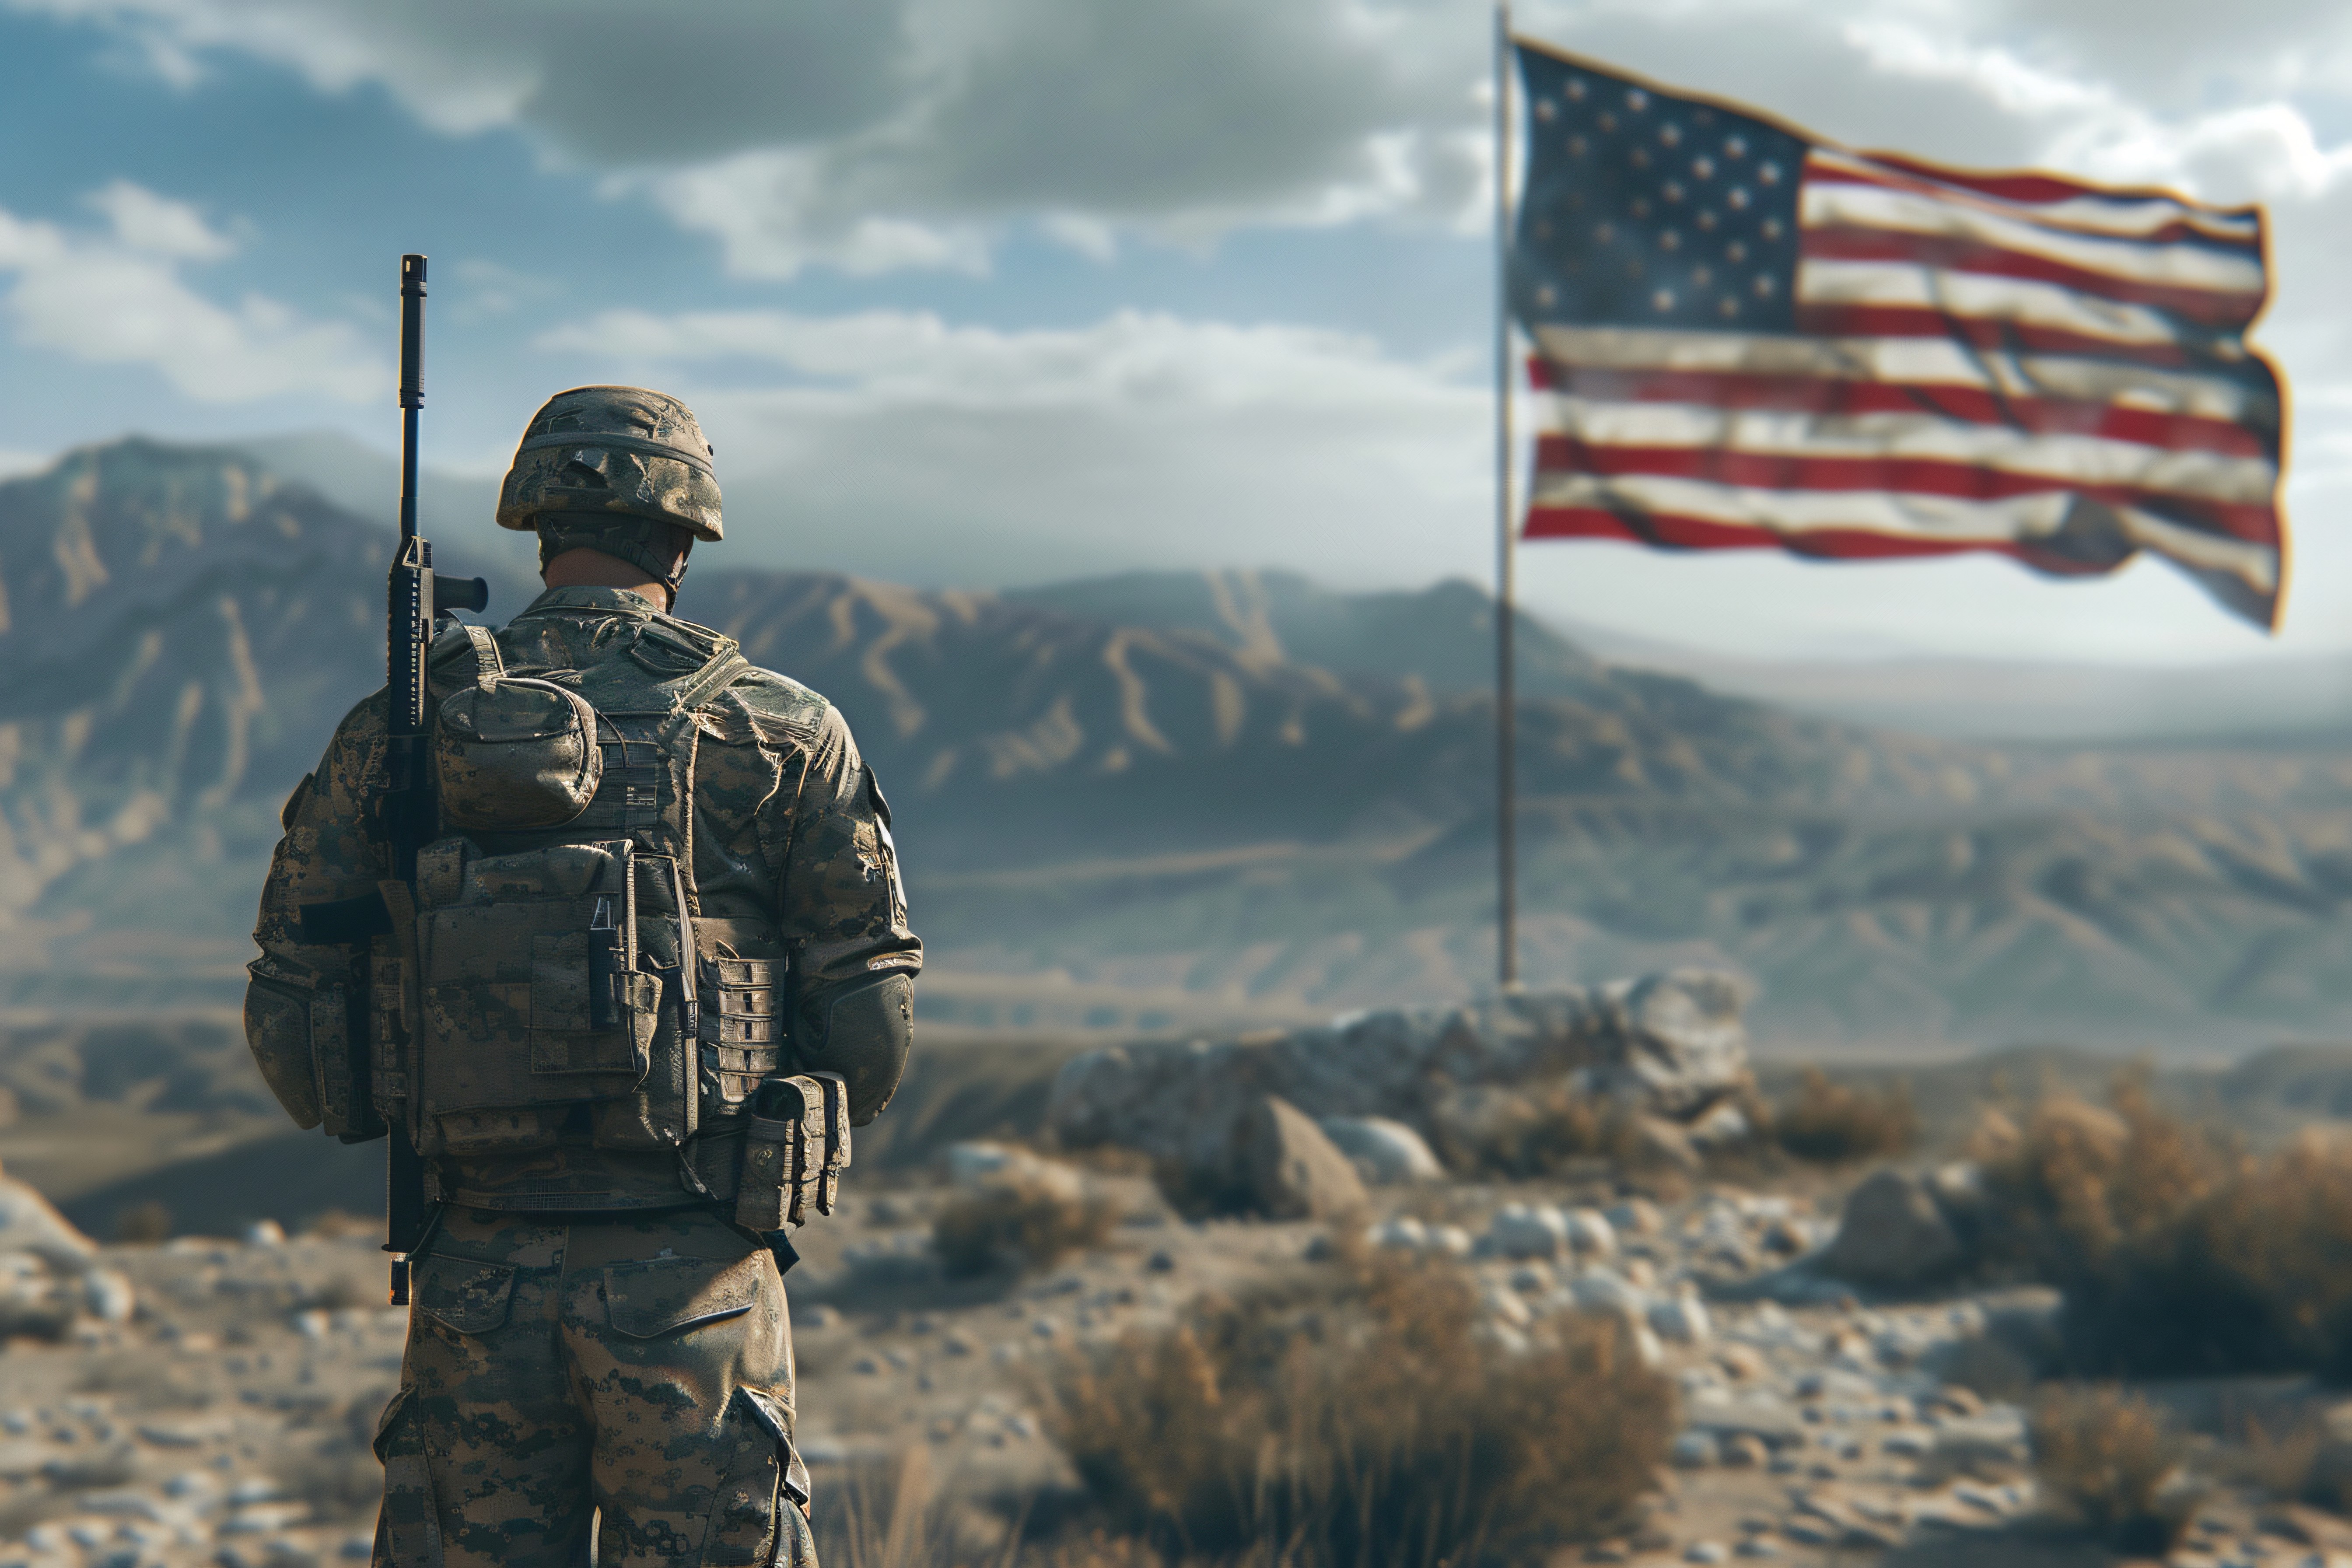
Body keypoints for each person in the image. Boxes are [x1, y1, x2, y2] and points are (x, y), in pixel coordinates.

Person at [242, 386, 920, 1567]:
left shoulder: (408, 725)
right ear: (684, 535)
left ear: (539, 526)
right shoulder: (779, 726)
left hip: (475, 1277)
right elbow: (873, 1026)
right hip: (695, 1277)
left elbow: (292, 1011)